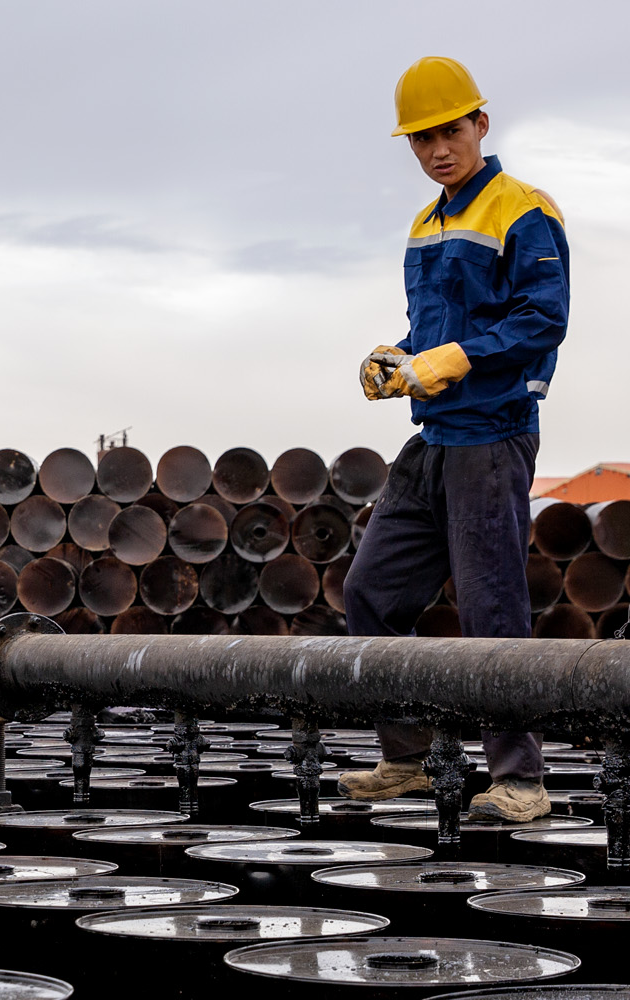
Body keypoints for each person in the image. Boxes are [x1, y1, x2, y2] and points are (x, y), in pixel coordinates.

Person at [340, 57, 568, 822]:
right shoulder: (427, 222)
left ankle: (521, 779)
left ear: (481, 123)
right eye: (422, 139)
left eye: (449, 130)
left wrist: (455, 358)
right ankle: (406, 757)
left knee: (490, 606)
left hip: (492, 435)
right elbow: (436, 332)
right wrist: (401, 358)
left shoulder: (521, 210)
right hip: (434, 438)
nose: (438, 148)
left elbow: (543, 320)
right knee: (372, 591)